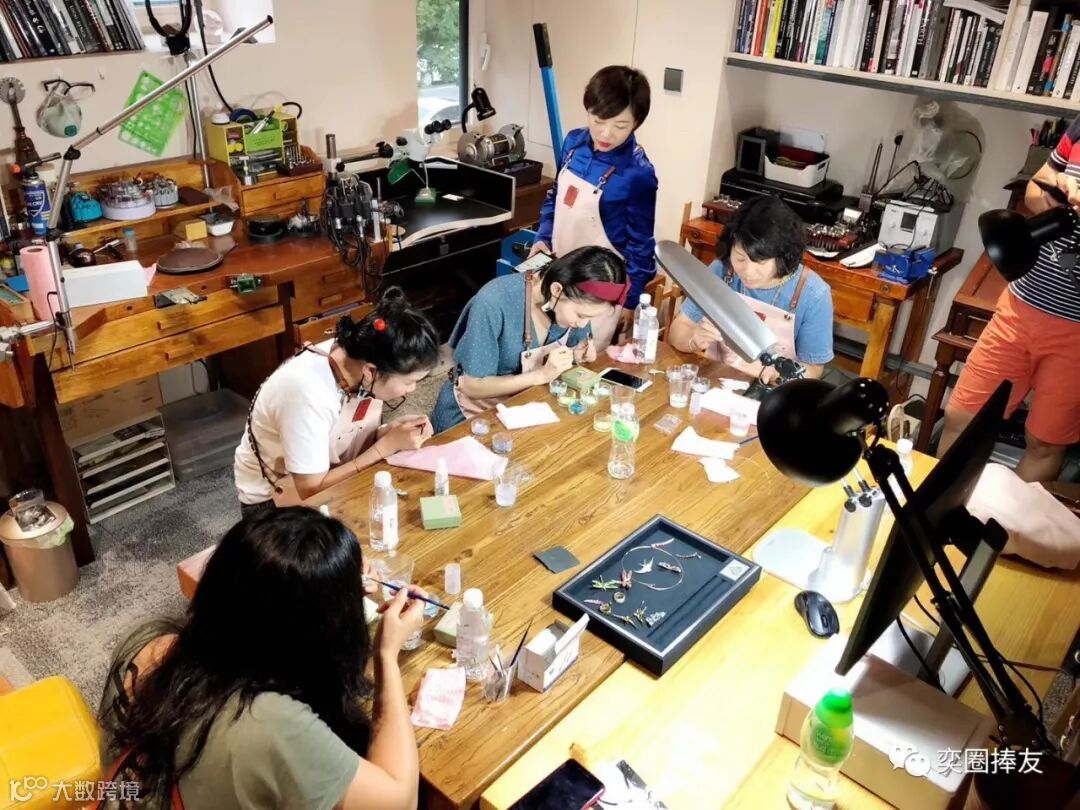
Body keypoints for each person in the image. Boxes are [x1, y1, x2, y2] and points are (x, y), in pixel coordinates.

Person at [97, 507, 427, 809]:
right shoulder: (269, 724)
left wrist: (332, 583)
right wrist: (386, 654)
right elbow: (401, 800)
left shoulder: (147, 638)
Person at [941, 119, 1080, 482]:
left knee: (1045, 444)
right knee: (962, 418)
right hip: (1019, 308)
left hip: (1077, 337)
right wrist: (1051, 194)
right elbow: (1035, 187)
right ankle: (938, 512)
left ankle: (1007, 515)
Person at [234, 288, 440, 516]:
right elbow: (311, 489)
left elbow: (343, 432)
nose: (412, 390)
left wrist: (386, 433)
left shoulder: (359, 357)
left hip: (331, 472)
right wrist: (385, 446)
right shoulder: (307, 394)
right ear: (371, 371)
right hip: (275, 501)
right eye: (409, 382)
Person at [528, 65, 658, 349]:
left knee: (581, 360)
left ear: (636, 123)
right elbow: (556, 197)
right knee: (539, 353)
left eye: (620, 126)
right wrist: (542, 237)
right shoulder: (573, 143)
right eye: (598, 120)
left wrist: (630, 301)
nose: (606, 133)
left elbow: (641, 245)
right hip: (557, 269)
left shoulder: (638, 174)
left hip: (599, 288)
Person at [431, 245, 627, 433]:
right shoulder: (494, 302)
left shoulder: (571, 301)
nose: (583, 324)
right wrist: (540, 375)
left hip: (526, 409)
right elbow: (472, 386)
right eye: (581, 315)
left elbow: (573, 347)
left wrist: (576, 356)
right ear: (557, 290)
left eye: (591, 318)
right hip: (472, 417)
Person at [668, 196, 834, 382]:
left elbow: (814, 369)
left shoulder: (813, 294)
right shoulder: (722, 270)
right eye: (740, 258)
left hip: (773, 391)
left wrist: (775, 373)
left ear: (782, 257)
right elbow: (678, 329)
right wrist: (693, 339)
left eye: (760, 262)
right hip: (715, 382)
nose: (747, 272)